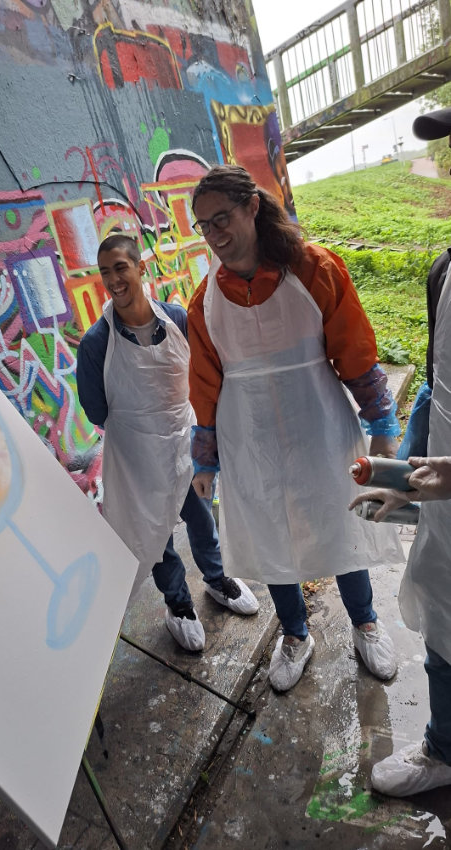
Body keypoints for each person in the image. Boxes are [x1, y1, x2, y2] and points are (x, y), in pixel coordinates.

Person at [187, 164, 404, 692]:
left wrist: (381, 423)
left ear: (252, 207)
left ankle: (365, 623)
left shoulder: (313, 269)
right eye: (203, 225)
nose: (214, 234)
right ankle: (295, 633)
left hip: (319, 427)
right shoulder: (204, 302)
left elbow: (354, 349)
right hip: (249, 439)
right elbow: (205, 383)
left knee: (340, 519)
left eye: (222, 218)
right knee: (270, 533)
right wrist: (205, 461)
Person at [76, 233, 259, 652]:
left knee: (201, 517)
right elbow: (96, 410)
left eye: (120, 267)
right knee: (154, 534)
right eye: (105, 272)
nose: (113, 279)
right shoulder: (96, 344)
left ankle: (217, 580)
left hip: (183, 442)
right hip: (137, 456)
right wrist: (143, 427)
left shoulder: (176, 319)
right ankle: (178, 605)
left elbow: (200, 376)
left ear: (140, 268)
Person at [348, 106, 451, 797]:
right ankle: (445, 748)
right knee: (444, 626)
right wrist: (404, 480)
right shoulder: (444, 270)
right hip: (448, 516)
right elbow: (436, 391)